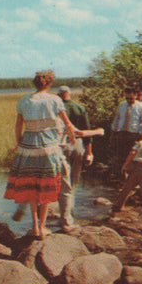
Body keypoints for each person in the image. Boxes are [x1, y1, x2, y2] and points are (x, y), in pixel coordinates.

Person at [5, 70, 79, 239]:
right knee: (46, 185)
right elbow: (67, 124)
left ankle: (35, 227)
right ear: (49, 83)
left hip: (28, 146)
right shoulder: (55, 99)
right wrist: (73, 138)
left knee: (31, 186)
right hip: (48, 146)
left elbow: (18, 127)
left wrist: (19, 144)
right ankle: (42, 227)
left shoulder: (24, 100)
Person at [57, 85, 93, 233]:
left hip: (60, 145)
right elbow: (87, 132)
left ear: (59, 95)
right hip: (77, 143)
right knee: (74, 181)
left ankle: (65, 216)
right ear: (70, 94)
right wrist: (89, 152)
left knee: (63, 182)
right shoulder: (79, 108)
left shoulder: (56, 109)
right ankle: (69, 215)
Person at [110, 85, 142, 179]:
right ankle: (120, 177)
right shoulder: (122, 105)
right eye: (127, 98)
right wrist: (112, 134)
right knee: (120, 155)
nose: (129, 100)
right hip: (121, 133)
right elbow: (117, 119)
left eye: (131, 98)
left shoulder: (141, 107)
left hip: (133, 135)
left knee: (131, 156)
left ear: (136, 95)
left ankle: (131, 178)